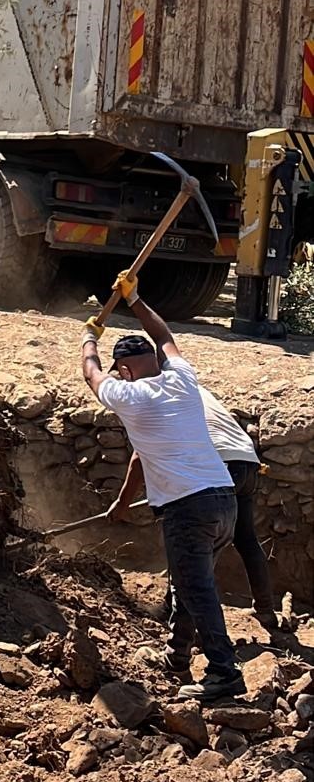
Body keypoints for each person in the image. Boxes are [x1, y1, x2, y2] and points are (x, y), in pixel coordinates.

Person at [81, 271, 244, 704]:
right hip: (224, 500)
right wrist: (135, 300)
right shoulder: (183, 379)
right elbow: (165, 334)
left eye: (121, 371)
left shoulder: (129, 396)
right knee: (190, 581)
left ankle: (224, 672)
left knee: (194, 587)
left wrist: (89, 338)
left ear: (126, 369)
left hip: (188, 508)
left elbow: (91, 376)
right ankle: (177, 656)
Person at [108, 386, 278, 629]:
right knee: (246, 539)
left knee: (190, 541)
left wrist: (122, 503)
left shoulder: (158, 398)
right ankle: (266, 610)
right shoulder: (188, 387)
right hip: (247, 461)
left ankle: (178, 615)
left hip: (218, 462)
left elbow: (139, 457)